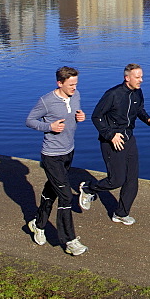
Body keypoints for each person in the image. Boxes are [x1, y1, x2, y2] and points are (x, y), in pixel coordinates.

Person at [78, 63, 150, 225]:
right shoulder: (113, 94)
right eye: (138, 77)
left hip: (129, 139)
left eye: (141, 77)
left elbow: (139, 110)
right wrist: (110, 135)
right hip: (111, 141)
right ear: (127, 78)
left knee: (132, 180)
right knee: (116, 180)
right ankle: (88, 188)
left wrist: (147, 119)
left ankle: (121, 213)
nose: (141, 80)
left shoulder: (138, 93)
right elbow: (96, 117)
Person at [25, 66, 89, 256]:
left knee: (51, 190)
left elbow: (75, 113)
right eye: (70, 85)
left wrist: (81, 117)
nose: (74, 88)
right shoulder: (46, 101)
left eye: (76, 84)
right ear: (59, 83)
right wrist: (49, 126)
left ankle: (38, 223)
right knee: (66, 196)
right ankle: (69, 240)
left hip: (69, 151)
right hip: (52, 155)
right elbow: (29, 120)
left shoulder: (76, 95)